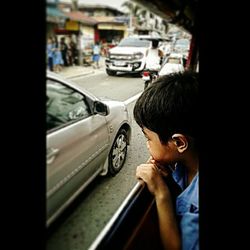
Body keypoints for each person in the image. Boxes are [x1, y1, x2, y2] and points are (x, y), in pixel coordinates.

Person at [133, 71, 199, 250]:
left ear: (179, 142)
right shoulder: (184, 165)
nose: (147, 145)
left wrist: (161, 193)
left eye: (148, 138)